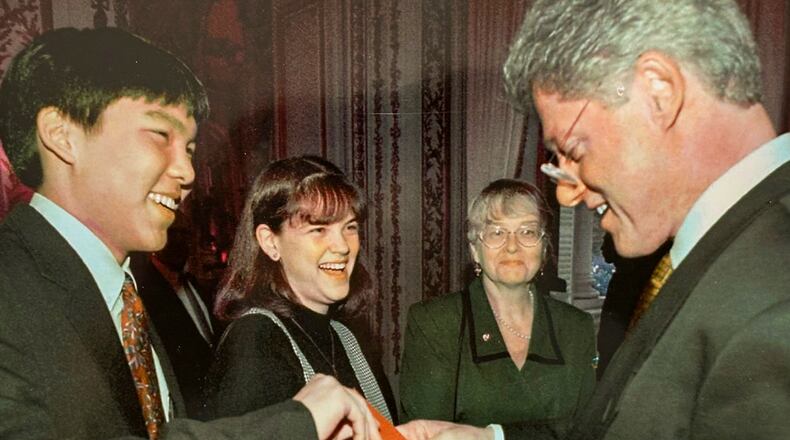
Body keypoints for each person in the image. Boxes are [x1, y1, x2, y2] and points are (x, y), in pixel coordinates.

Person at [401, 0, 790, 438]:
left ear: (659, 92)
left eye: (574, 149)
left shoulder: (774, 293)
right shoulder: (735, 244)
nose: (567, 193)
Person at [0, 27, 380, 440]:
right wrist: (296, 423)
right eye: (160, 135)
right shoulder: (11, 288)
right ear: (62, 135)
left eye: (191, 149)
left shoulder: (126, 296)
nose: (187, 173)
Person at [202, 155, 397, 424]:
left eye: (349, 227)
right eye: (318, 229)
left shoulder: (345, 337)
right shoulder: (256, 339)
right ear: (270, 242)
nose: (342, 246)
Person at [399, 179, 596, 438]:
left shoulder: (576, 327)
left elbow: (590, 431)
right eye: (497, 233)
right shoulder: (436, 323)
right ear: (475, 251)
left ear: (544, 248)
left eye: (527, 232)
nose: (512, 246)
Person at [131, 212, 216, 417]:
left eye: (185, 235)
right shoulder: (145, 291)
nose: (180, 242)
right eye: (173, 233)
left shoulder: (194, 286)